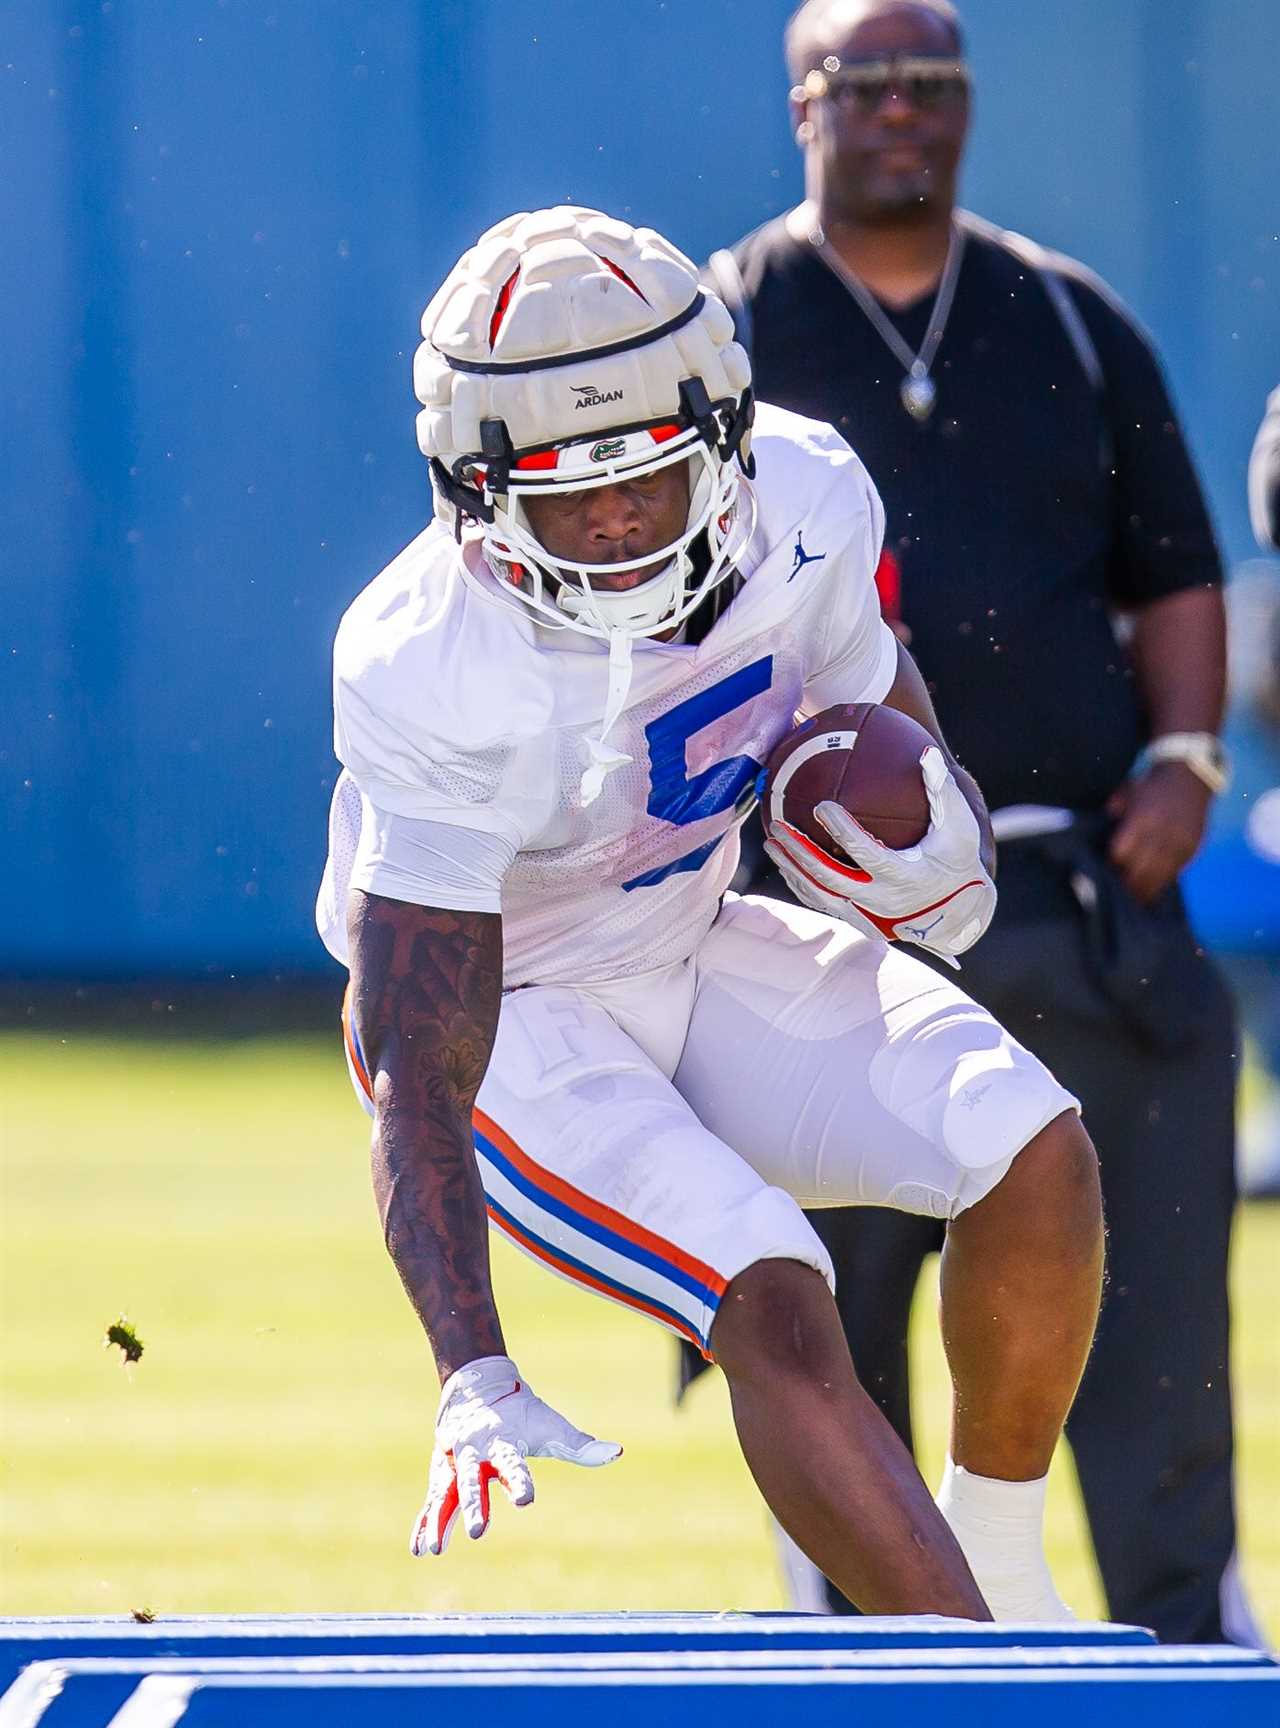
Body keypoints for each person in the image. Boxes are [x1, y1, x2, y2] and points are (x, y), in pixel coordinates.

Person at [315, 203, 1105, 1619]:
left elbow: (873, 700)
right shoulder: (424, 654)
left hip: (690, 932)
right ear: (476, 491)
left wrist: (936, 829)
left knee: (1033, 1146)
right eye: (565, 488)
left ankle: (998, 1569)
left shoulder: (805, 496)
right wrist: (469, 1363)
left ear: (728, 442)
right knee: (773, 1290)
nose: (615, 519)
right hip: (518, 1018)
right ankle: (981, 1685)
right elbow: (418, 1063)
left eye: (652, 478)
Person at [685, 0, 1261, 1644]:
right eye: (862, 84)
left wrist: (1184, 761)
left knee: (1149, 1317)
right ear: (803, 107)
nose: (899, 113)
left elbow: (1176, 567)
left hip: (1073, 878)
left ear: (968, 106)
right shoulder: (723, 326)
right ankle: (853, 1637)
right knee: (826, 1311)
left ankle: (1182, 1638)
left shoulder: (1067, 319)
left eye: (930, 83)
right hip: (817, 933)